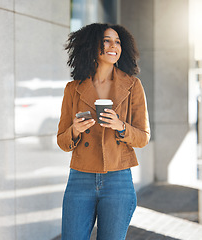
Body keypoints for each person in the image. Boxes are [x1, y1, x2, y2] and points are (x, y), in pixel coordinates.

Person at [57, 23, 150, 240]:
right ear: (92, 45)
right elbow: (62, 141)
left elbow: (143, 137)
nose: (113, 46)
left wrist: (120, 126)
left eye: (117, 41)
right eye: (107, 40)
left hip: (118, 179)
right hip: (80, 178)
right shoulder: (73, 88)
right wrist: (75, 130)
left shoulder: (133, 86)